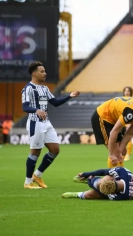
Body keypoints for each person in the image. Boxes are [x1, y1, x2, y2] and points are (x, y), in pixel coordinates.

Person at [22, 61, 80, 189]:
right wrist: (36, 110)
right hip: (34, 122)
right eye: (42, 71)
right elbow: (25, 106)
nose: (45, 73)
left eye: (45, 71)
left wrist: (69, 96)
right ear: (35, 73)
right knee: (35, 152)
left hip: (46, 122)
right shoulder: (28, 88)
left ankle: (37, 175)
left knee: (55, 150)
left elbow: (55, 102)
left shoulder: (45, 88)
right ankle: (27, 182)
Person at [92, 96, 133, 168]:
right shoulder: (131, 112)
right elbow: (113, 132)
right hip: (102, 116)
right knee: (115, 152)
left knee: (123, 151)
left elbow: (129, 133)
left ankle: (120, 175)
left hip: (113, 120)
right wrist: (111, 154)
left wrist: (120, 152)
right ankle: (112, 177)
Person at [62, 167, 133, 200]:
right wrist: (87, 174)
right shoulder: (121, 171)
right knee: (100, 184)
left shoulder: (117, 197)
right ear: (113, 179)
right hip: (127, 181)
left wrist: (90, 182)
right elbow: (103, 171)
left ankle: (77, 194)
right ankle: (95, 180)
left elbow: (101, 190)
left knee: (89, 194)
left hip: (117, 191)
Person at [122, 86, 133, 161]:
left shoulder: (132, 101)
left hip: (129, 121)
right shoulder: (121, 100)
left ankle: (128, 154)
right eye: (125, 91)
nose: (126, 92)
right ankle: (123, 154)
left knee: (128, 138)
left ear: (130, 92)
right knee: (122, 139)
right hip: (122, 121)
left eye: (128, 91)